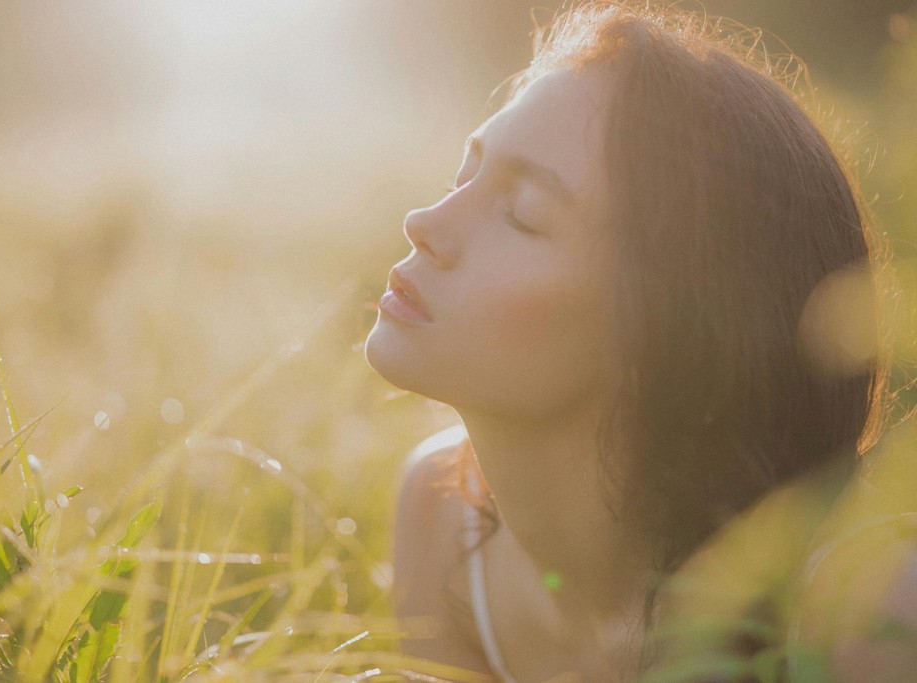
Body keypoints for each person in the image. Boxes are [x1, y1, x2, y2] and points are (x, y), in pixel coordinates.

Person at [364, 2, 911, 681]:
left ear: (674, 327)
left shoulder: (865, 615)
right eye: (464, 175)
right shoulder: (440, 519)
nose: (425, 222)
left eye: (522, 215)